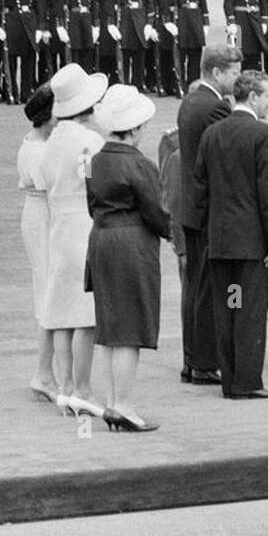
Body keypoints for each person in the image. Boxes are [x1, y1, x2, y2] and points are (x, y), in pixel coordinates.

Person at [86, 84, 171, 432]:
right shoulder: (139, 164)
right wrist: (171, 234)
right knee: (129, 330)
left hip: (101, 238)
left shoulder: (93, 160)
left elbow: (89, 204)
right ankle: (121, 404)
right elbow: (158, 210)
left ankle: (112, 401)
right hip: (130, 242)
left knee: (110, 326)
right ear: (133, 128)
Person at [194, 69, 268, 400]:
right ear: (254, 97)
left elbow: (200, 187)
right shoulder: (263, 134)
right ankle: (248, 380)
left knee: (229, 306)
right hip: (251, 245)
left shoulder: (213, 134)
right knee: (249, 312)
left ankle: (231, 378)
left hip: (221, 243)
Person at [38, 63, 109, 416]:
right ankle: (82, 387)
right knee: (86, 316)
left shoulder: (52, 141)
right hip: (84, 224)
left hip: (59, 226)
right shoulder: (90, 141)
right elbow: (99, 184)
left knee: (63, 312)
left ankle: (66, 387)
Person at [176, 45, 239, 386]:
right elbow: (225, 153)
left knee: (194, 288)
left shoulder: (192, 100)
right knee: (208, 290)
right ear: (217, 72)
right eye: (232, 73)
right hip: (207, 209)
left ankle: (192, 359)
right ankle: (203, 361)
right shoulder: (215, 106)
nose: (236, 80)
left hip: (191, 207)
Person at [18, 84, 57, 402]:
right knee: (48, 290)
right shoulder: (38, 150)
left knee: (48, 288)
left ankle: (46, 371)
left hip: (41, 212)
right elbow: (53, 185)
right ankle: (43, 372)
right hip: (43, 214)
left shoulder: (37, 143)